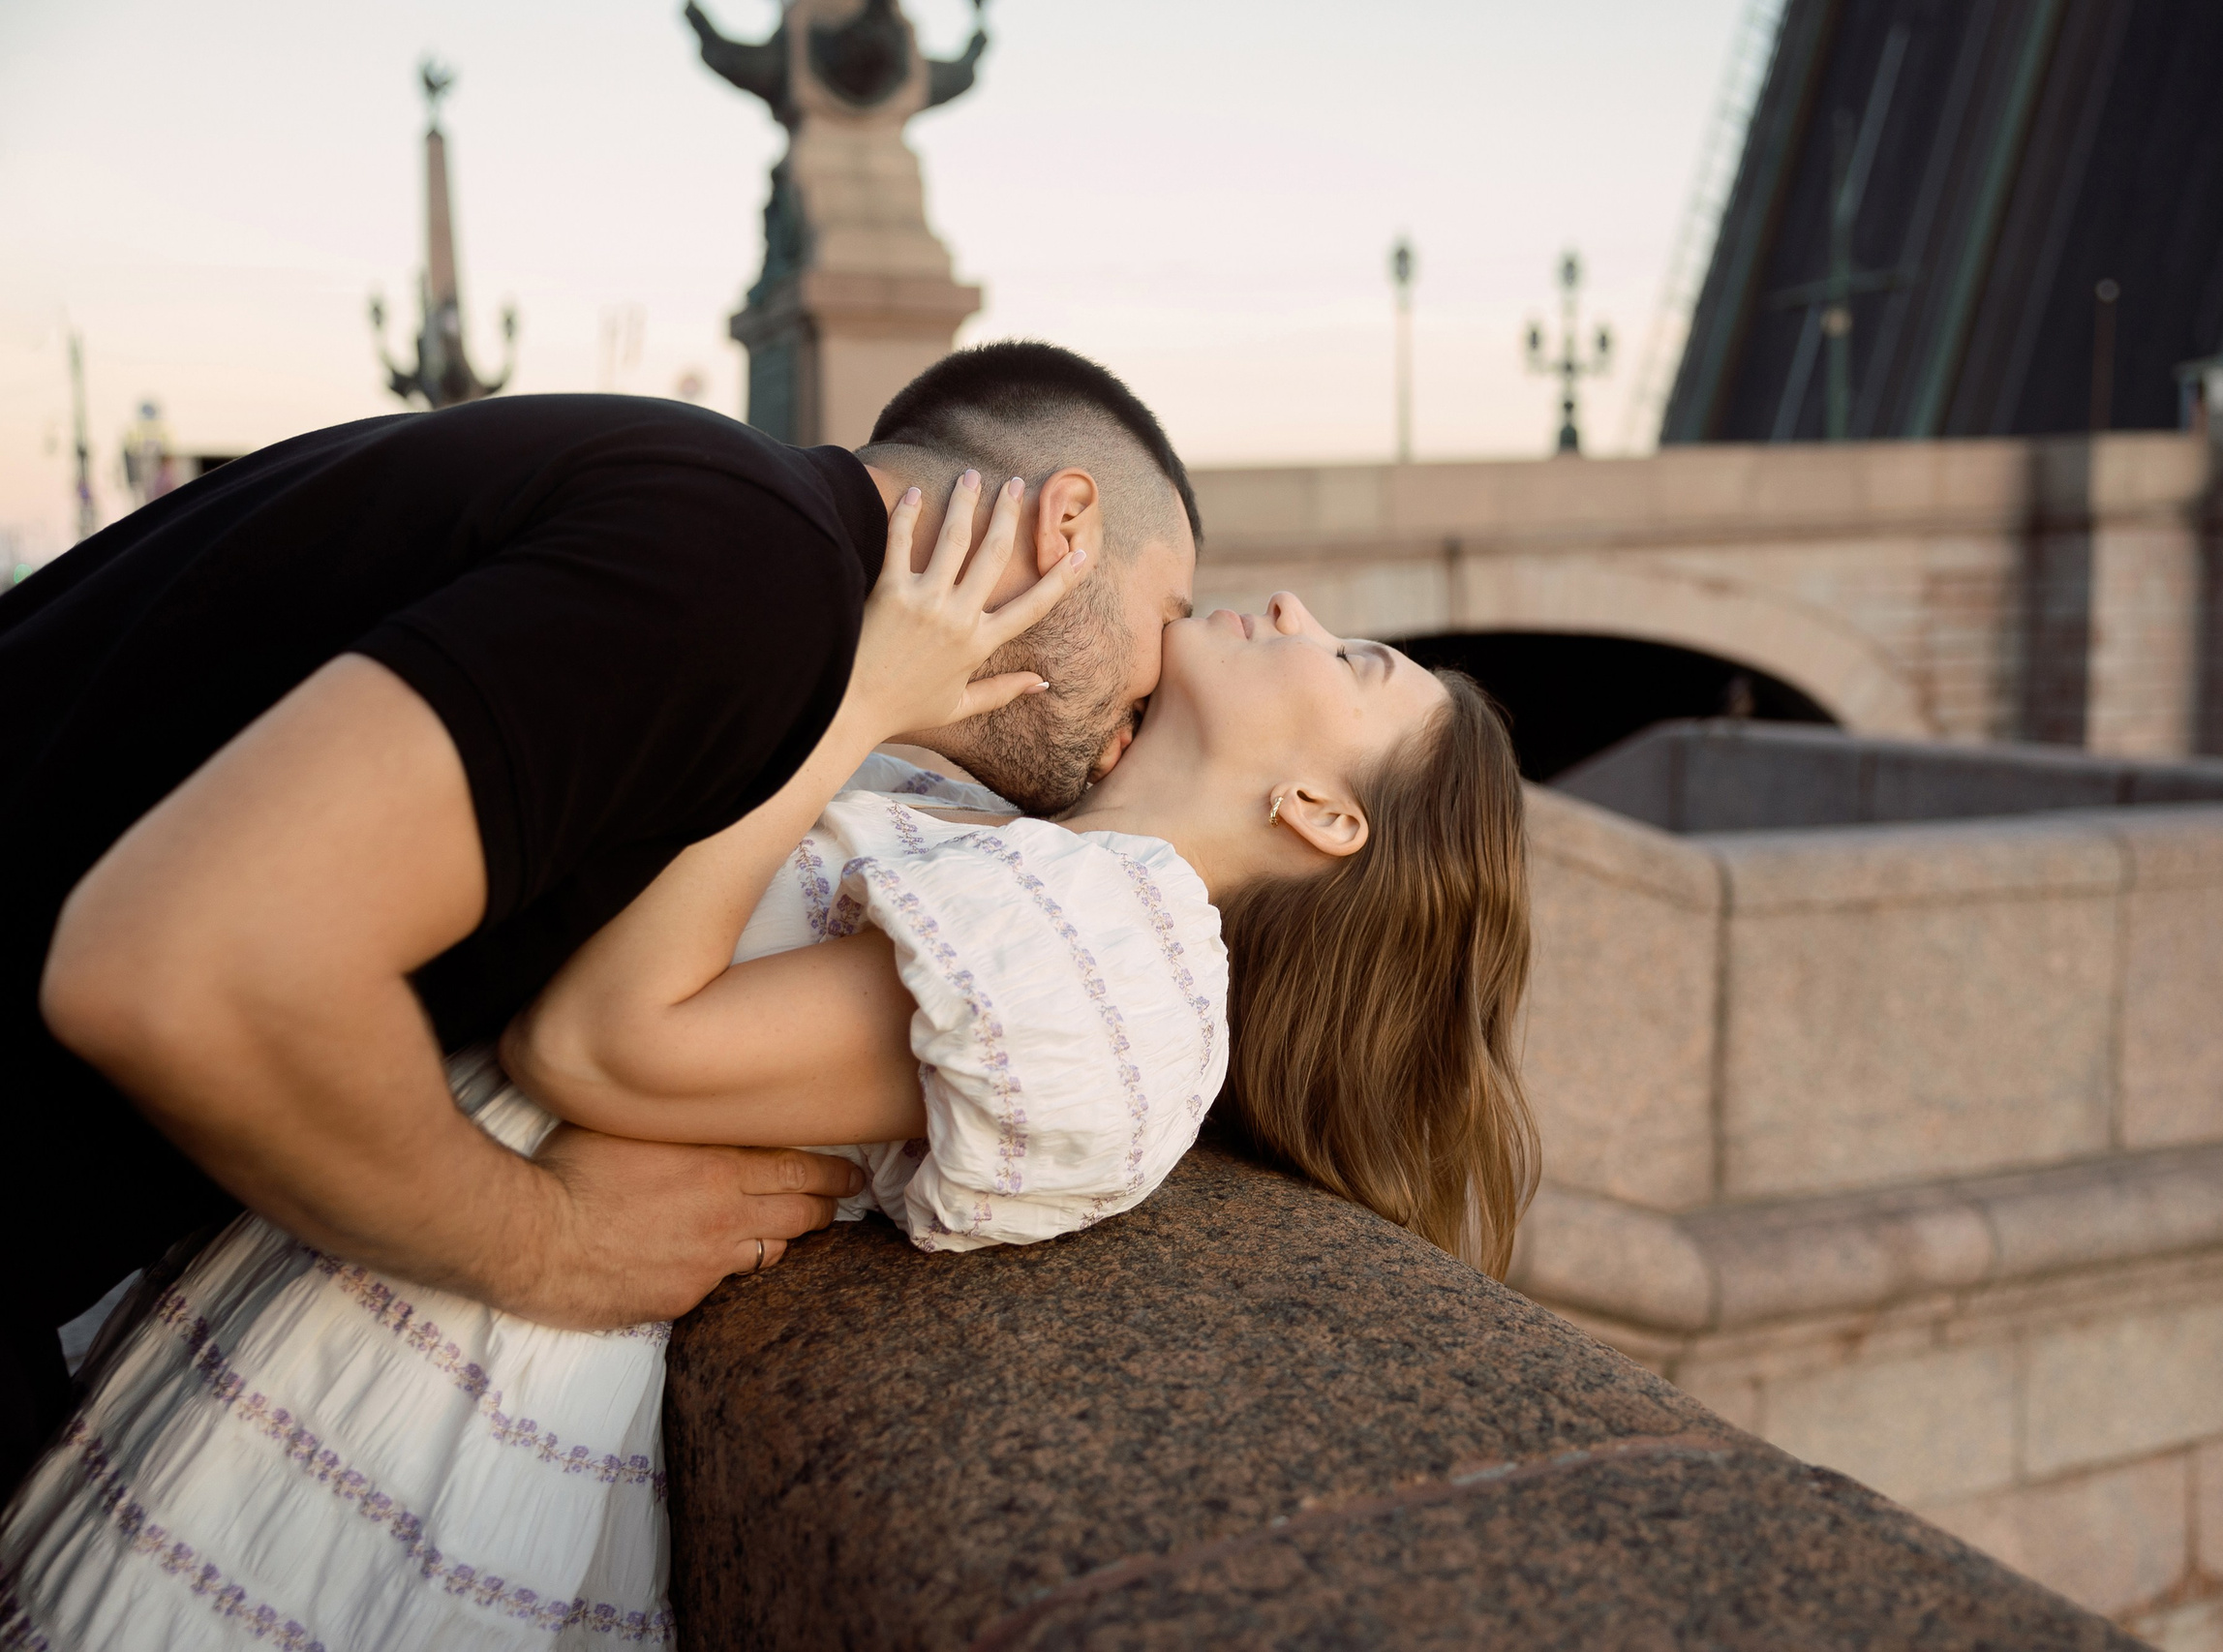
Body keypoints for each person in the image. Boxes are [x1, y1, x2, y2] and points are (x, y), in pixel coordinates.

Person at [0, 474, 1536, 1650]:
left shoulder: (1119, 956)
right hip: (393, 1278)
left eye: (1356, 661)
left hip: (452, 1373)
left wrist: (859, 687)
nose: (1288, 613)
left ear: (1326, 819)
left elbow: (601, 1041)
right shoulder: (1029, 859)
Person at [0, 342, 1202, 1498]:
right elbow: (179, 966)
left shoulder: (717, 511)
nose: (1159, 692)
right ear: (1068, 524)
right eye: (1169, 612)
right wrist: (553, 1241)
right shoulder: (744, 575)